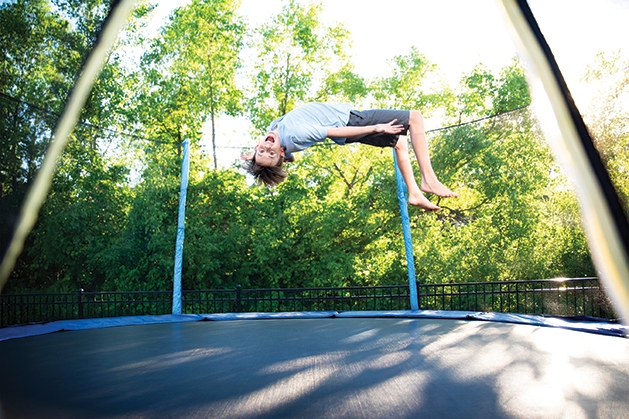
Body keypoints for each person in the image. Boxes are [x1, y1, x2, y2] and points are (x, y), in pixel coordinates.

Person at [241, 103, 457, 211]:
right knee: (414, 119)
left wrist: (254, 157)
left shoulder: (276, 133)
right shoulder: (296, 134)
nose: (267, 147)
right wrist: (375, 127)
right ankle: (428, 178)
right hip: (350, 123)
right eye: (269, 153)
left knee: (400, 141)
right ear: (280, 152)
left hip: (350, 121)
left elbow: (282, 157)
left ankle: (415, 193)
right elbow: (335, 132)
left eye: (263, 150)